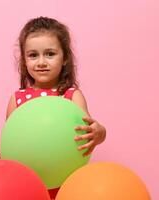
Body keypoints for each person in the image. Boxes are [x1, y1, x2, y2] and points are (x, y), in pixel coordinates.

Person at [6, 16, 106, 199]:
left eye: (50, 54)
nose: (41, 62)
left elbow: (88, 131)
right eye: (33, 55)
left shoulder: (71, 96)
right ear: (24, 60)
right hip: (27, 186)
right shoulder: (17, 99)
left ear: (65, 58)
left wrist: (100, 132)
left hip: (66, 184)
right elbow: (8, 146)